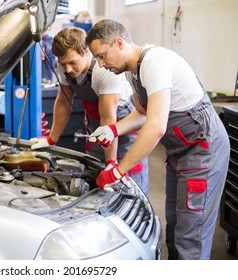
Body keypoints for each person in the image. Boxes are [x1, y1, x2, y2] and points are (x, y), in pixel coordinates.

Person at [86, 19, 230, 260]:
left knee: (190, 235)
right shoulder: (134, 71)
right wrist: (113, 129)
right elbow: (143, 113)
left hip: (203, 152)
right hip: (180, 153)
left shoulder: (155, 62)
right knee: (174, 225)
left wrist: (119, 170)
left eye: (102, 56)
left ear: (119, 43)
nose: (101, 64)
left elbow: (155, 127)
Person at [31, 27, 149, 196]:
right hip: (95, 128)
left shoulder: (104, 71)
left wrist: (111, 162)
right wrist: (52, 139)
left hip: (120, 129)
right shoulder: (64, 65)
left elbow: (108, 117)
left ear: (86, 51)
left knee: (128, 188)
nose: (68, 69)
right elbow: (64, 101)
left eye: (72, 62)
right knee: (94, 180)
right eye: (63, 64)